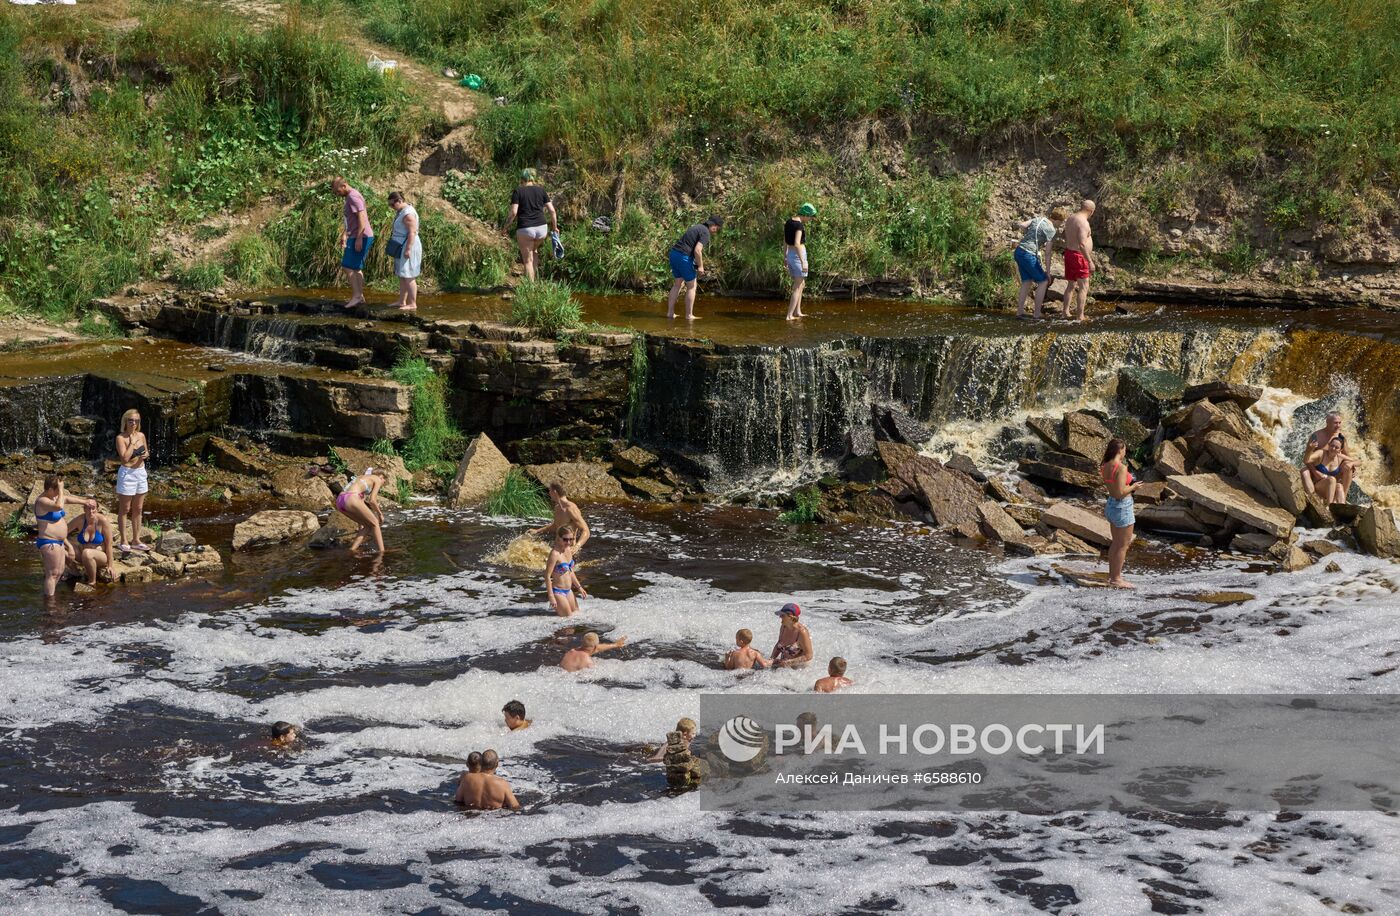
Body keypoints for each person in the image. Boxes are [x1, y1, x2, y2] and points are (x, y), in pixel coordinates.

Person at [33, 475, 86, 597]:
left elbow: (65, 499)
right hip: (49, 542)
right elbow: (59, 506)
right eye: (57, 490)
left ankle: (51, 596)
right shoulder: (42, 501)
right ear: (50, 489)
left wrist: (84, 501)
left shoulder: (54, 497)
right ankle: (49, 603)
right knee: (52, 574)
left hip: (58, 542)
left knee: (59, 572)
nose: (59, 494)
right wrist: (61, 489)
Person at [504, 168, 558, 282]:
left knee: (527, 260)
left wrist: (505, 228)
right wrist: (555, 227)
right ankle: (535, 281)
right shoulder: (541, 190)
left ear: (522, 179)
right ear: (533, 179)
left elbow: (513, 212)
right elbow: (552, 211)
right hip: (542, 229)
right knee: (534, 251)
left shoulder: (518, 191)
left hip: (526, 229)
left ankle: (530, 288)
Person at [1014, 207, 1067, 319]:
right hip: (1028, 254)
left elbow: (1023, 225)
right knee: (1043, 281)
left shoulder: (1039, 219)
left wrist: (1028, 234)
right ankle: (1037, 313)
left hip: (1019, 251)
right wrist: (1048, 272)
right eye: (1061, 222)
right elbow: (1048, 253)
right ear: (1058, 220)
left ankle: (1019, 312)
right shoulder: (1051, 230)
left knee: (1027, 281)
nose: (1061, 225)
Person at [667, 216, 723, 321]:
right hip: (683, 257)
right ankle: (689, 315)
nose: (716, 232)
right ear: (714, 226)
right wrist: (701, 266)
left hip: (674, 254)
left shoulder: (697, 227)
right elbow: (697, 250)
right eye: (717, 229)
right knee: (692, 286)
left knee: (678, 284)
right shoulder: (705, 232)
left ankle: (670, 313)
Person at [1100, 438, 1139, 589]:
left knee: (1116, 544)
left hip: (1110, 506)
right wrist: (1134, 486)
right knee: (1123, 545)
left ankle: (1112, 576)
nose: (1125, 453)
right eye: (1124, 450)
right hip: (1122, 507)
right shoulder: (1121, 468)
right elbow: (1120, 492)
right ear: (1120, 450)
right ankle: (1116, 579)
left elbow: (1114, 492)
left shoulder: (1105, 466)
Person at [332, 176, 375, 309]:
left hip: (361, 235)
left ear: (344, 185)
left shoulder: (353, 197)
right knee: (356, 267)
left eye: (337, 191)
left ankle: (356, 296)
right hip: (357, 235)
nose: (337, 194)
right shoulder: (350, 196)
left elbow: (361, 217)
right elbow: (351, 220)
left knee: (347, 266)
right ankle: (360, 296)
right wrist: (346, 234)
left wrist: (358, 238)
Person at [1300, 412, 1359, 500]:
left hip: (1334, 470)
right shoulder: (1316, 436)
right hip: (1319, 470)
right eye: (1335, 423)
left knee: (1348, 465)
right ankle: (1313, 498)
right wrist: (1316, 473)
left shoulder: (1341, 437)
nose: (1338, 426)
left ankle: (1343, 497)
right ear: (1327, 422)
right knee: (1304, 470)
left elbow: (1347, 455)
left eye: (1339, 423)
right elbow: (1307, 458)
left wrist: (1353, 466)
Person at [114, 408, 150, 552]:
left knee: (138, 508)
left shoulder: (141, 435)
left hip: (140, 472)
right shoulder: (120, 438)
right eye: (131, 420)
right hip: (127, 474)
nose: (133, 423)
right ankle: (123, 540)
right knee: (125, 509)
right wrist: (132, 442)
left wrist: (144, 455)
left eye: (136, 421)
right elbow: (124, 458)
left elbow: (146, 451)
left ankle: (136, 539)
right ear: (125, 421)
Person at [335, 467, 387, 555]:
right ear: (382, 476)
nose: (382, 484)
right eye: (384, 482)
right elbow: (372, 500)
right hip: (352, 498)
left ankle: (352, 549)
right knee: (375, 523)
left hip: (340, 501)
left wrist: (360, 528)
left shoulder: (361, 478)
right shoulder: (377, 479)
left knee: (367, 525)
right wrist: (380, 514)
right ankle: (382, 552)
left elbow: (360, 508)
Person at [385, 191, 422, 311]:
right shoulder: (402, 211)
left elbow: (412, 232)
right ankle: (402, 301)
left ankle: (412, 303)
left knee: (409, 274)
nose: (391, 208)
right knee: (402, 274)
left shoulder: (408, 214)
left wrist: (408, 249)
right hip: (401, 244)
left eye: (392, 205)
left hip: (408, 245)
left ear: (399, 201)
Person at [530, 482, 590, 553]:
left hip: (569, 552)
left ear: (555, 492)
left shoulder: (571, 508)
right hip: (557, 549)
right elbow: (555, 526)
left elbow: (586, 530)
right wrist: (537, 531)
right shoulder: (557, 508)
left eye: (550, 491)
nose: (549, 493)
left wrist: (577, 546)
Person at [67, 499, 114, 587]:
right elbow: (63, 532)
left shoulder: (102, 521)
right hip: (82, 555)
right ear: (84, 509)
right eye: (88, 508)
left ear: (97, 509)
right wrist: (69, 546)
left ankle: (92, 582)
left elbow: (109, 545)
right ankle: (75, 572)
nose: (91, 511)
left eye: (93, 508)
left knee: (87, 553)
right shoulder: (80, 519)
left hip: (100, 556)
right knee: (60, 546)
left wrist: (110, 565)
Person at [1062, 199, 1096, 321]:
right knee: (1084, 286)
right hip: (1078, 256)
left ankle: (1065, 312)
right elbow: (1082, 244)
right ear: (1091, 211)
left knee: (1071, 284)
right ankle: (1080, 316)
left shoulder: (1071, 218)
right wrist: (1090, 261)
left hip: (1069, 253)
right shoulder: (1083, 223)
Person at [785, 203, 817, 320]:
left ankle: (797, 311)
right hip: (798, 257)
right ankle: (789, 315)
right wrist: (803, 262)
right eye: (810, 217)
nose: (810, 220)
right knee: (797, 286)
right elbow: (797, 243)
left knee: (801, 284)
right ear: (805, 214)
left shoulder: (789, 222)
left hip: (790, 255)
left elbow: (785, 241)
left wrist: (785, 256)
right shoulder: (799, 226)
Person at [545, 526, 586, 616]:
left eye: (571, 539)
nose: (568, 542)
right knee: (567, 621)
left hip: (568, 590)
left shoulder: (568, 550)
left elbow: (570, 571)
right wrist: (551, 596)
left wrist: (579, 587)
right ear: (559, 538)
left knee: (576, 614)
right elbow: (547, 576)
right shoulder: (554, 554)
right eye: (565, 539)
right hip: (558, 592)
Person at [1304, 435, 1349, 504]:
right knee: (1332, 479)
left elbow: (1358, 461)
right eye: (1332, 446)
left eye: (1336, 447)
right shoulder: (1321, 453)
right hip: (1318, 487)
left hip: (1329, 490)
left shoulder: (1340, 457)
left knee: (1339, 486)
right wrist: (1310, 449)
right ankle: (1329, 506)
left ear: (1340, 450)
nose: (1333, 448)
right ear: (1329, 445)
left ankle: (1342, 507)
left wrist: (1352, 465)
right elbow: (1306, 460)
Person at [770, 603, 814, 668]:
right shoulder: (784, 626)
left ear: (790, 617)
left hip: (798, 668)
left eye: (782, 615)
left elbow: (809, 655)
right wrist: (772, 659)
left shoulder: (802, 632)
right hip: (784, 665)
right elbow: (779, 643)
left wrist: (788, 662)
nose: (780, 617)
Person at [560, 631, 627, 672]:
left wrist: (615, 645)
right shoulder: (588, 662)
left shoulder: (572, 651)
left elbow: (596, 648)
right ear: (595, 646)